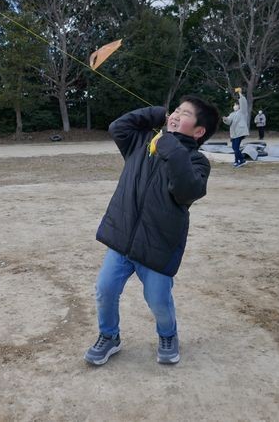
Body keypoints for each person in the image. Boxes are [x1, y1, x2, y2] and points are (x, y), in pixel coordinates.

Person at [84, 95, 219, 366]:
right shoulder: (143, 143)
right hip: (122, 239)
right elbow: (118, 127)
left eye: (186, 114)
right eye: (176, 110)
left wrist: (171, 147)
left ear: (199, 131)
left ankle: (168, 335)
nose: (177, 115)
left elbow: (187, 191)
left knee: (158, 300)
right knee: (105, 289)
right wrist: (156, 113)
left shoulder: (197, 161)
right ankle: (109, 336)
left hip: (158, 246)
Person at [222, 88, 249, 167]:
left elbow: (243, 102)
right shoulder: (232, 114)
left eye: (236, 105)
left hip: (240, 132)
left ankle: (242, 160)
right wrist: (225, 119)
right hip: (233, 134)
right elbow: (229, 122)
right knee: (234, 148)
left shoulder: (242, 111)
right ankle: (236, 161)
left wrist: (240, 93)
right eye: (234, 105)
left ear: (239, 106)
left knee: (236, 148)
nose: (235, 106)